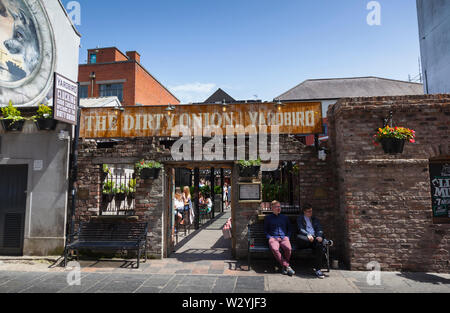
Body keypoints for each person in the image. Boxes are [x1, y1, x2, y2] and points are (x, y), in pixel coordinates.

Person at [296, 203, 332, 279]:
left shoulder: (314, 219)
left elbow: (319, 229)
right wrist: (308, 234)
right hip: (304, 240)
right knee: (301, 237)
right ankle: (325, 242)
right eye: (309, 211)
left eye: (311, 211)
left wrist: (319, 236)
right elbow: (301, 229)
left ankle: (318, 270)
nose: (310, 213)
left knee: (319, 246)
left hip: (314, 240)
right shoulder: (300, 218)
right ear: (304, 212)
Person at [264, 200, 295, 276]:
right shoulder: (268, 218)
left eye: (279, 206)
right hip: (273, 238)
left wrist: (287, 237)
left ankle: (284, 266)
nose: (279, 208)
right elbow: (265, 231)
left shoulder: (285, 217)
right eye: (277, 207)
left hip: (284, 237)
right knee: (275, 249)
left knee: (288, 248)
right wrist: (270, 237)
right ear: (272, 208)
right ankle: (287, 266)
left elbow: (290, 229)